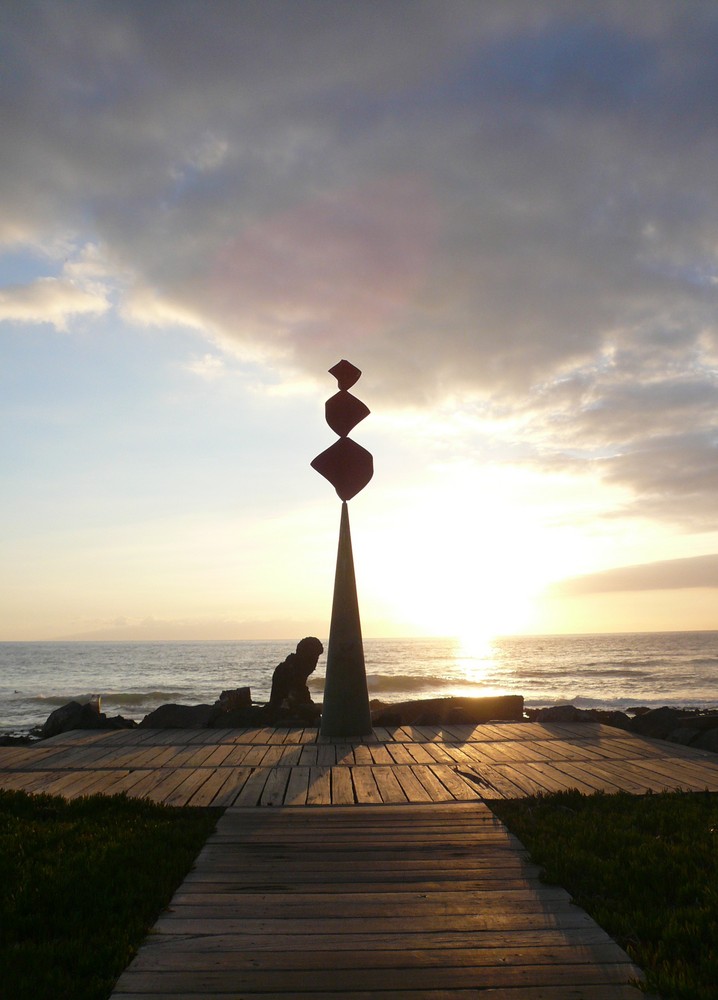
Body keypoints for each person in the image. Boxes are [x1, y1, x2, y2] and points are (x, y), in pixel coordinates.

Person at [265, 637, 324, 723]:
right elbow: (290, 703)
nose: (315, 664)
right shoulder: (290, 670)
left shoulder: (295, 669)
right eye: (314, 658)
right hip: (283, 714)